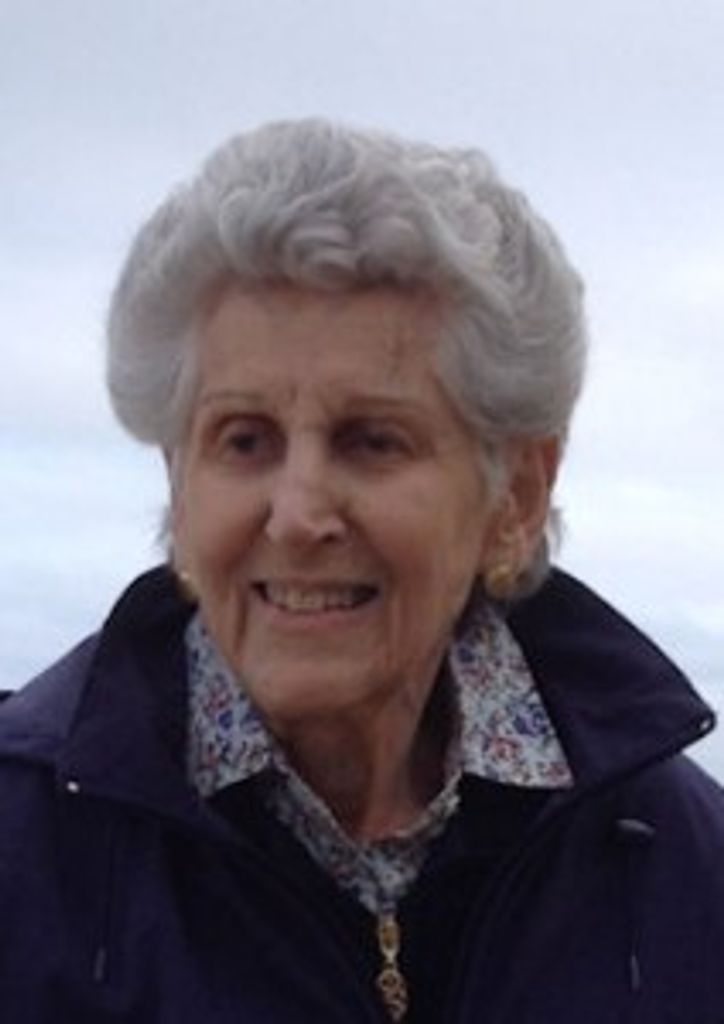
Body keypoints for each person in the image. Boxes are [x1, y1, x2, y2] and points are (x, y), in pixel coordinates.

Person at [1, 118, 722, 1024]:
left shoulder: (684, 871)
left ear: (517, 495)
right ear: (180, 488)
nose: (299, 514)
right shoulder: (21, 851)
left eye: (372, 440)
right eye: (245, 440)